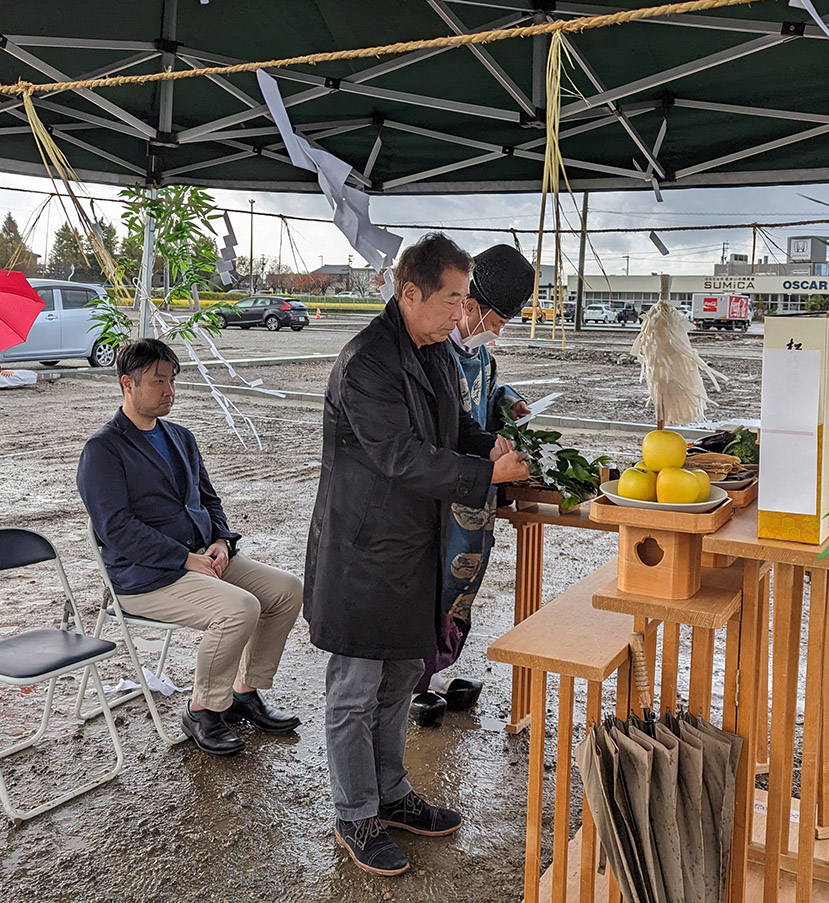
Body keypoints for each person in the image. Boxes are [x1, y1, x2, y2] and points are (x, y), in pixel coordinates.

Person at [304, 233, 530, 877]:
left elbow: (451, 426)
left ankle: (391, 793)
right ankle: (355, 813)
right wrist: (485, 477)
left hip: (409, 547)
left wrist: (488, 446)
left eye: (464, 299)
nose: (461, 313)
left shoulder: (430, 351)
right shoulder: (367, 361)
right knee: (355, 688)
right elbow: (400, 455)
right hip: (363, 550)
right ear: (410, 293)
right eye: (453, 299)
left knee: (403, 674)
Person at [77, 338, 303, 757]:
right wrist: (184, 559)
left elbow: (208, 500)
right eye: (158, 381)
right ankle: (202, 710)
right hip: (147, 576)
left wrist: (221, 541)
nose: (170, 391)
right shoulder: (103, 450)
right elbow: (117, 529)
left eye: (172, 380)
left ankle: (242, 692)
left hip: (203, 556)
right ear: (127, 384)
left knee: (287, 590)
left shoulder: (180, 437)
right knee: (239, 609)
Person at [408, 243, 535, 728]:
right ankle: (411, 682)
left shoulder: (478, 355)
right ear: (470, 306)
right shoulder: (434, 350)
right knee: (433, 579)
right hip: (446, 490)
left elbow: (492, 393)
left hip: (481, 490)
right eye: (495, 322)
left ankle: (438, 671)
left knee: (464, 578)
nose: (496, 333)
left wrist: (512, 402)